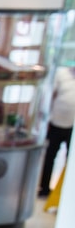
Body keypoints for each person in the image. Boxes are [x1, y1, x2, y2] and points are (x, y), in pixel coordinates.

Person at [38, 65, 75, 198]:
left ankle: (65, 193)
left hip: (72, 128)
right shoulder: (61, 74)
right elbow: (49, 96)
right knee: (50, 157)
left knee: (70, 162)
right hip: (55, 123)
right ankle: (44, 189)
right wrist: (45, 119)